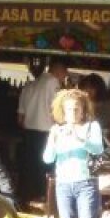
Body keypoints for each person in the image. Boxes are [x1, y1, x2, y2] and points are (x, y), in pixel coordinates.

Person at [42, 88, 104, 218]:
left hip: (86, 183)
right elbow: (47, 158)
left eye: (77, 109)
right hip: (63, 183)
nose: (73, 113)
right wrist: (53, 140)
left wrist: (79, 138)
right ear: (63, 111)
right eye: (69, 109)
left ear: (83, 110)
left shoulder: (92, 126)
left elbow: (98, 149)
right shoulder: (57, 129)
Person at [17, 58, 68, 207]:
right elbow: (56, 110)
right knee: (45, 170)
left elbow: (20, 117)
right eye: (64, 73)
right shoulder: (52, 82)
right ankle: (45, 201)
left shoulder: (29, 85)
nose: (64, 77)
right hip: (46, 133)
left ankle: (27, 201)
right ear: (59, 70)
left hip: (29, 133)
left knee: (30, 169)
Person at [78, 73, 110, 144]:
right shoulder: (79, 103)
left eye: (91, 88)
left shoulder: (109, 103)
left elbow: (104, 122)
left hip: (104, 139)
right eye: (85, 88)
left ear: (99, 89)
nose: (87, 91)